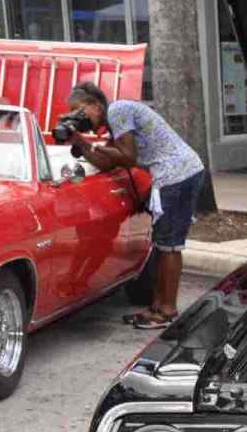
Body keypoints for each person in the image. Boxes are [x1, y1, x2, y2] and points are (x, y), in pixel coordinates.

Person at [64, 82, 205, 329]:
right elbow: (108, 163)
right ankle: (157, 308)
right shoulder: (116, 123)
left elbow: (128, 157)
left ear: (97, 105)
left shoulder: (118, 110)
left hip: (177, 175)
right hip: (175, 175)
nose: (79, 117)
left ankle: (167, 311)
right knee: (163, 245)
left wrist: (93, 146)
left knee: (170, 246)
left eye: (80, 110)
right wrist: (83, 144)